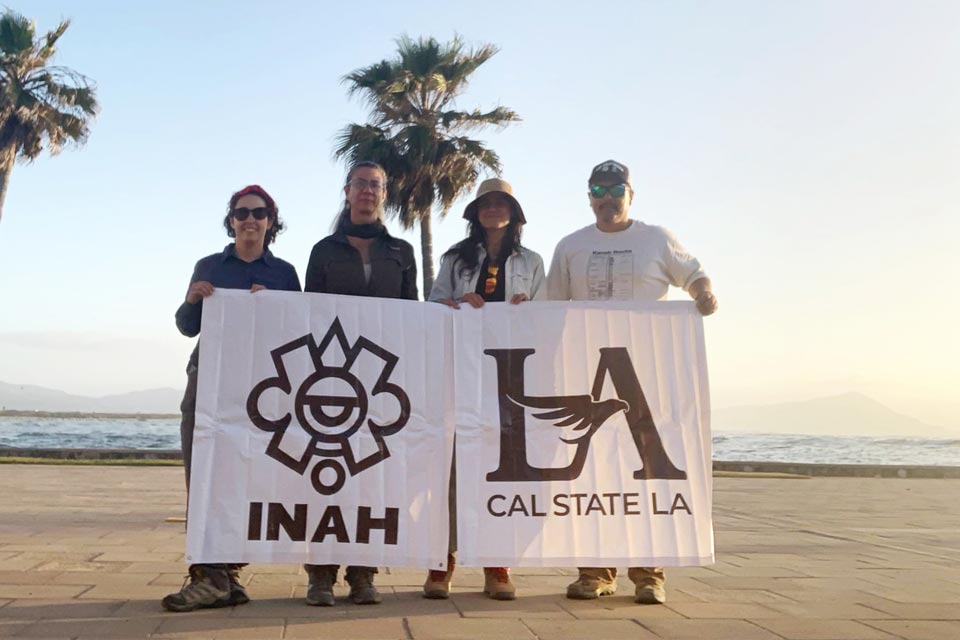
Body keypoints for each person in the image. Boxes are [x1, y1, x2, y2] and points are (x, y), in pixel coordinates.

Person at [547, 160, 717, 605]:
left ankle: (649, 575)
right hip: (590, 378)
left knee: (649, 474)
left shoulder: (656, 239)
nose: (607, 197)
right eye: (598, 189)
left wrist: (703, 294)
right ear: (589, 197)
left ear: (630, 194)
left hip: (649, 379)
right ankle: (595, 572)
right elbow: (548, 308)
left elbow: (693, 273)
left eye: (615, 188)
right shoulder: (570, 245)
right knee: (593, 473)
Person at [163, 185, 301, 612]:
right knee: (202, 474)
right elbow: (188, 326)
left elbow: (297, 332)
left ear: (270, 221)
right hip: (208, 379)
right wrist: (191, 300)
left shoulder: (284, 274)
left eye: (258, 213)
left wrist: (273, 305)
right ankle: (207, 573)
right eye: (242, 212)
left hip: (259, 388)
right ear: (232, 219)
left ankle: (228, 574)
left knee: (244, 479)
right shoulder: (209, 265)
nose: (249, 219)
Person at [423, 177, 545, 601]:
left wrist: (528, 310)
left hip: (509, 376)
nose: (493, 209)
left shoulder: (531, 261)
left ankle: (497, 563)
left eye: (501, 202)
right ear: (476, 212)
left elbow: (546, 317)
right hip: (461, 371)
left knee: (501, 467)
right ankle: (442, 561)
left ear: (513, 212)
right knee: (453, 467)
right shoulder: (455, 258)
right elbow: (434, 304)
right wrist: (457, 304)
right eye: (486, 203)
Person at [303, 160, 418, 606]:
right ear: (346, 191)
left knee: (372, 474)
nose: (367, 191)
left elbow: (414, 311)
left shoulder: (402, 250)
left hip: (383, 375)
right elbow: (307, 312)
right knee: (325, 473)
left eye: (376, 185)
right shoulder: (323, 250)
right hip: (331, 373)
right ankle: (320, 574)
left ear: (384, 194)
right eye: (360, 184)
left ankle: (364, 574)